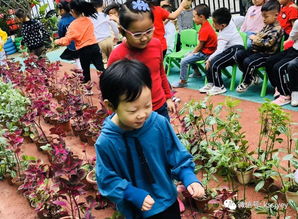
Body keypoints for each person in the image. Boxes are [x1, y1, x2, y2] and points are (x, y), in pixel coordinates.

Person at [96, 58, 205, 219]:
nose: (142, 115)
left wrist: (189, 178)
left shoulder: (158, 124)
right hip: (136, 210)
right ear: (110, 106)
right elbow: (106, 179)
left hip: (168, 201)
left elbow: (177, 155)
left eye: (147, 105)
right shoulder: (106, 142)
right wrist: (131, 193)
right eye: (133, 110)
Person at [107, 0, 175, 120]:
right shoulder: (118, 55)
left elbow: (160, 73)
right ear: (122, 31)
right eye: (137, 34)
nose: (144, 38)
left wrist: (168, 97)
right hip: (135, 114)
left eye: (149, 31)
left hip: (160, 107)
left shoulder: (156, 44)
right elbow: (110, 88)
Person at [54, 0, 105, 91]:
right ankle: (108, 81)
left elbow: (66, 41)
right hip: (94, 46)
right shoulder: (88, 20)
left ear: (73, 11)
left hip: (83, 50)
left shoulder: (73, 25)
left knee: (85, 70)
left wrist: (57, 41)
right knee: (100, 67)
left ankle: (88, 88)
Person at [235, 0, 283, 93]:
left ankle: (247, 81)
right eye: (263, 17)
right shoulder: (267, 26)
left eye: (266, 17)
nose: (263, 19)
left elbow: (268, 43)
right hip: (258, 50)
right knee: (239, 54)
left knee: (248, 61)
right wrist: (256, 38)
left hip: (267, 55)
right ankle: (251, 75)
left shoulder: (277, 28)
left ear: (276, 15)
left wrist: (255, 39)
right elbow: (259, 36)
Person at [199, 8, 244, 95]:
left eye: (215, 23)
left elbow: (219, 50)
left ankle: (219, 87)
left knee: (214, 63)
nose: (213, 24)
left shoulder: (224, 35)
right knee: (209, 59)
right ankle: (211, 83)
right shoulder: (229, 21)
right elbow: (242, 18)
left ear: (223, 25)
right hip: (228, 50)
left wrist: (210, 59)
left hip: (236, 50)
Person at [172, 4, 217, 88]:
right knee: (187, 55)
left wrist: (192, 53)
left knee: (184, 61)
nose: (193, 19)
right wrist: (192, 53)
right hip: (206, 51)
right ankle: (197, 72)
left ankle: (182, 81)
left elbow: (199, 46)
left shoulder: (205, 29)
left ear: (201, 17)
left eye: (194, 16)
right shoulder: (206, 25)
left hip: (206, 53)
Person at [265, 19, 298, 106]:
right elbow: (292, 37)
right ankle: (278, 87)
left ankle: (285, 95)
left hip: (296, 51)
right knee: (270, 61)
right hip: (294, 48)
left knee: (279, 68)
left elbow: (293, 36)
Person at [57, 0, 81, 70]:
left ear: (62, 10)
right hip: (82, 40)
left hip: (72, 44)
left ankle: (80, 69)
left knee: (76, 57)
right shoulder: (75, 16)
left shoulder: (62, 22)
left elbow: (61, 34)